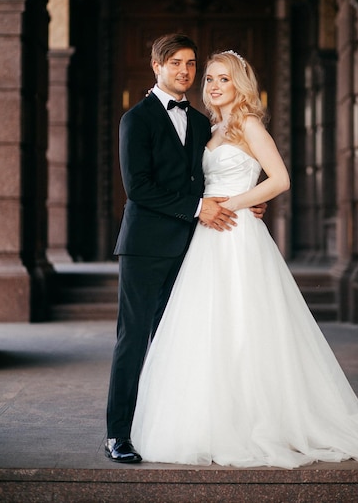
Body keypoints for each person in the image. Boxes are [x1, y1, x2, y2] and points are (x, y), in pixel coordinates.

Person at [130, 50, 358, 468]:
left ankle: (260, 421)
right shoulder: (209, 127)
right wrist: (211, 205)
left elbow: (279, 179)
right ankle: (213, 420)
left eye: (223, 79)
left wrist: (234, 204)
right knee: (211, 328)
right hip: (207, 237)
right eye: (209, 78)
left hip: (235, 233)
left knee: (248, 324)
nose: (213, 85)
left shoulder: (248, 124)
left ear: (240, 83)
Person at [105, 35, 264, 463]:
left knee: (179, 342)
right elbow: (138, 188)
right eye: (175, 63)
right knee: (134, 339)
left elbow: (209, 178)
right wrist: (200, 208)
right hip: (144, 248)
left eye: (191, 64)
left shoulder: (198, 123)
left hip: (194, 248)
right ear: (156, 66)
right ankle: (118, 433)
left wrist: (247, 199)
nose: (185, 72)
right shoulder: (134, 120)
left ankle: (166, 427)